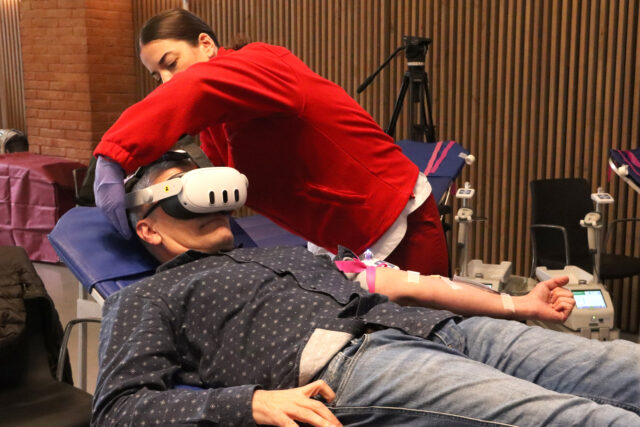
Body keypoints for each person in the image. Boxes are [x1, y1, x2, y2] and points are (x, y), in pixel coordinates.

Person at [91, 159, 640, 426]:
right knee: (575, 419)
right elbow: (117, 408)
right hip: (348, 362)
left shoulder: (286, 252)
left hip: (451, 331)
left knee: (621, 367)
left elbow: (403, 283)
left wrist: (517, 305)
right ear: (148, 228)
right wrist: (251, 402)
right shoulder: (144, 297)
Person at [92, 8, 449, 277]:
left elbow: (195, 88)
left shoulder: (262, 63)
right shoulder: (218, 120)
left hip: (391, 218)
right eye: (157, 75)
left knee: (432, 333)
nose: (167, 80)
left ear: (206, 44)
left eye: (171, 63)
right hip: (338, 234)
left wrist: (115, 154)